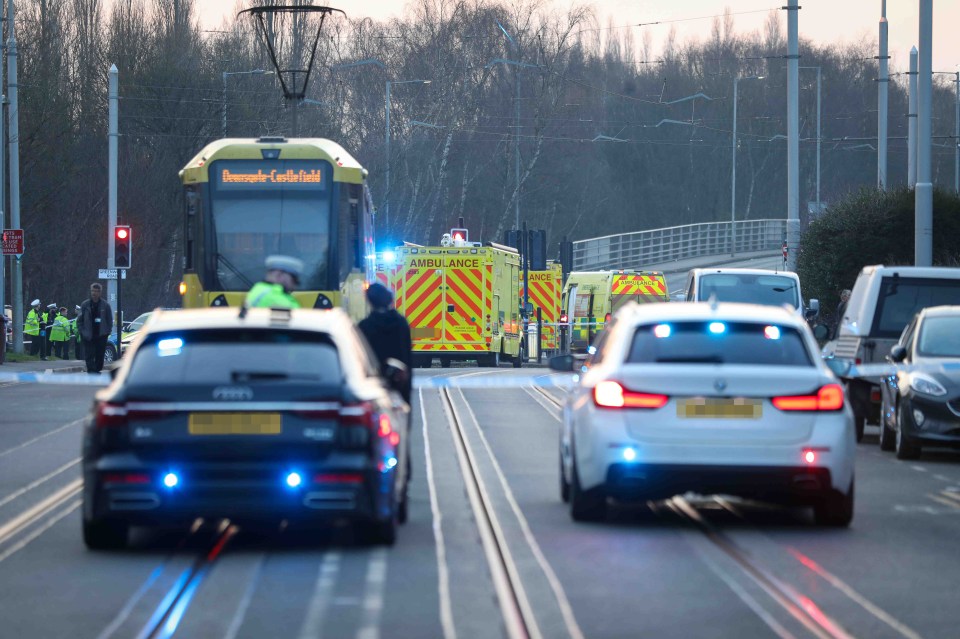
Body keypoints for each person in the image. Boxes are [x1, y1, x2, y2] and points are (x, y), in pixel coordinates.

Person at [358, 282, 413, 403]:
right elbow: (407, 356)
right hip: (399, 384)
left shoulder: (364, 326)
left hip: (375, 385)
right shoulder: (401, 323)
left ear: (370, 301)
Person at [78, 283, 114, 373]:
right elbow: (79, 320)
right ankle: (91, 370)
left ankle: (97, 369)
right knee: (89, 354)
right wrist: (82, 331)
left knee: (100, 354)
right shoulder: (85, 305)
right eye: (93, 291)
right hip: (88, 334)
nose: (94, 293)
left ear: (100, 292)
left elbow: (109, 320)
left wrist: (107, 332)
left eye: (97, 291)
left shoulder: (105, 305)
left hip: (101, 335)